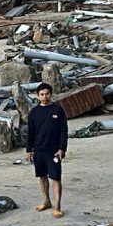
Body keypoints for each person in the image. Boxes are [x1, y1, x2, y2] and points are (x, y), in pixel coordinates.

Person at [26, 82, 68, 218]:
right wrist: (29, 150)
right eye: (42, 94)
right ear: (37, 96)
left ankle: (57, 206)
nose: (45, 97)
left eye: (47, 94)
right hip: (39, 150)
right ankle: (46, 201)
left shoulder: (58, 110)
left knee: (56, 178)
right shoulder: (34, 112)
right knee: (42, 176)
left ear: (51, 94)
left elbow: (64, 130)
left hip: (54, 151)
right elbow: (30, 133)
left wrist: (62, 148)